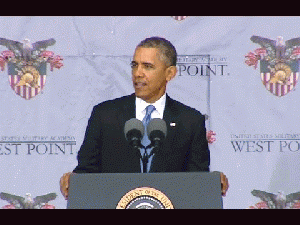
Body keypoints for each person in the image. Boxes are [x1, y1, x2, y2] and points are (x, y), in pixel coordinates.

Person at [60, 36, 229, 200]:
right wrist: (73, 180)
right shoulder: (105, 115)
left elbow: (197, 180)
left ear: (169, 73)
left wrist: (213, 182)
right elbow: (87, 172)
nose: (138, 73)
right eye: (135, 65)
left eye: (147, 66)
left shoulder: (190, 121)